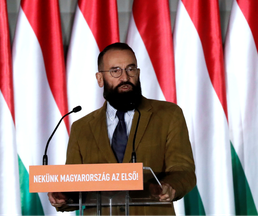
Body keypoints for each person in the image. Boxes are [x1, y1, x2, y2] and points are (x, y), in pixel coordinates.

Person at [48, 42, 196, 215]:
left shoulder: (168, 115)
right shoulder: (81, 128)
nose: (125, 77)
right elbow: (75, 183)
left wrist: (170, 187)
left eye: (130, 69)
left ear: (138, 73)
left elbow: (183, 170)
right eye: (115, 71)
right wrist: (63, 196)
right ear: (100, 78)